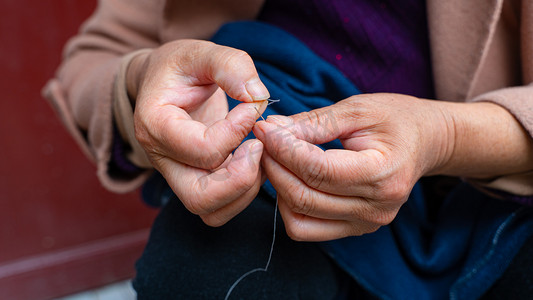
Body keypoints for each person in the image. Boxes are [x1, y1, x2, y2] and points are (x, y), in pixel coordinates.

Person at [44, 0, 533, 299]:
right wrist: (141, 83)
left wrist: (447, 135)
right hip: (263, 190)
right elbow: (97, 55)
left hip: (500, 194)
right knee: (204, 273)